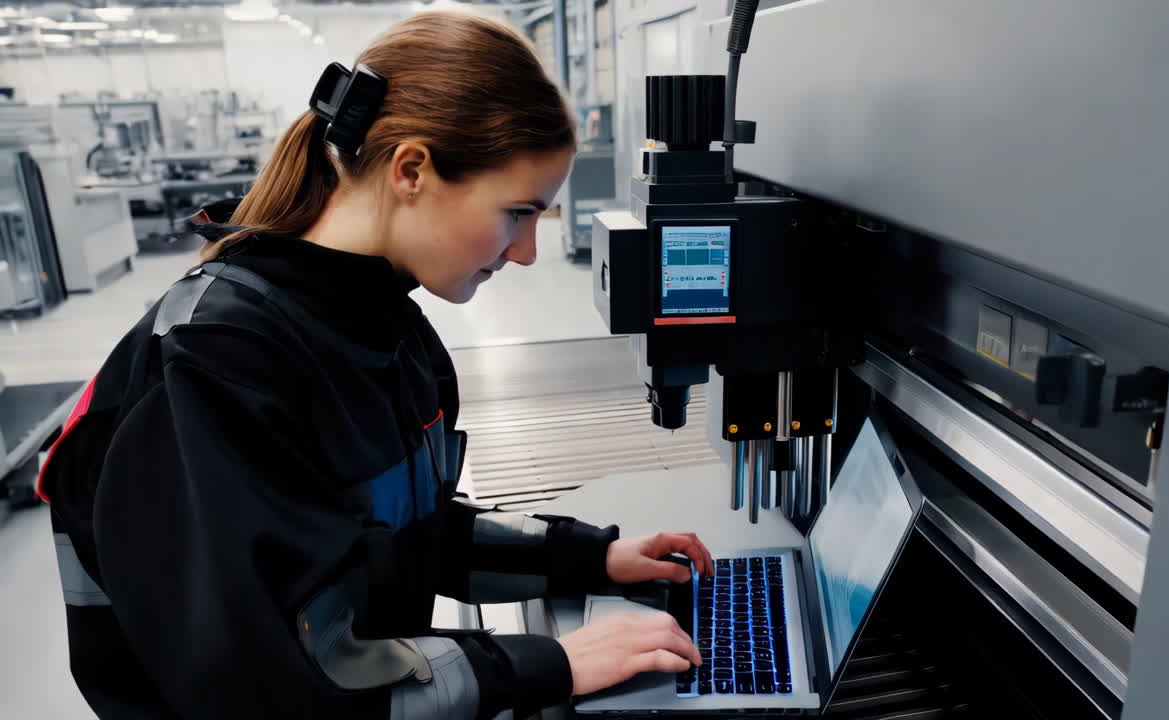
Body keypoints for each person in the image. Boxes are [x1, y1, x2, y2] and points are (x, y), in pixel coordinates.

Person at [38, 10, 714, 720]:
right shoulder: (218, 367)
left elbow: (408, 541)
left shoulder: (390, 335)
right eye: (518, 213)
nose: (526, 253)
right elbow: (279, 688)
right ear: (412, 169)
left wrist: (590, 558)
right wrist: (550, 664)